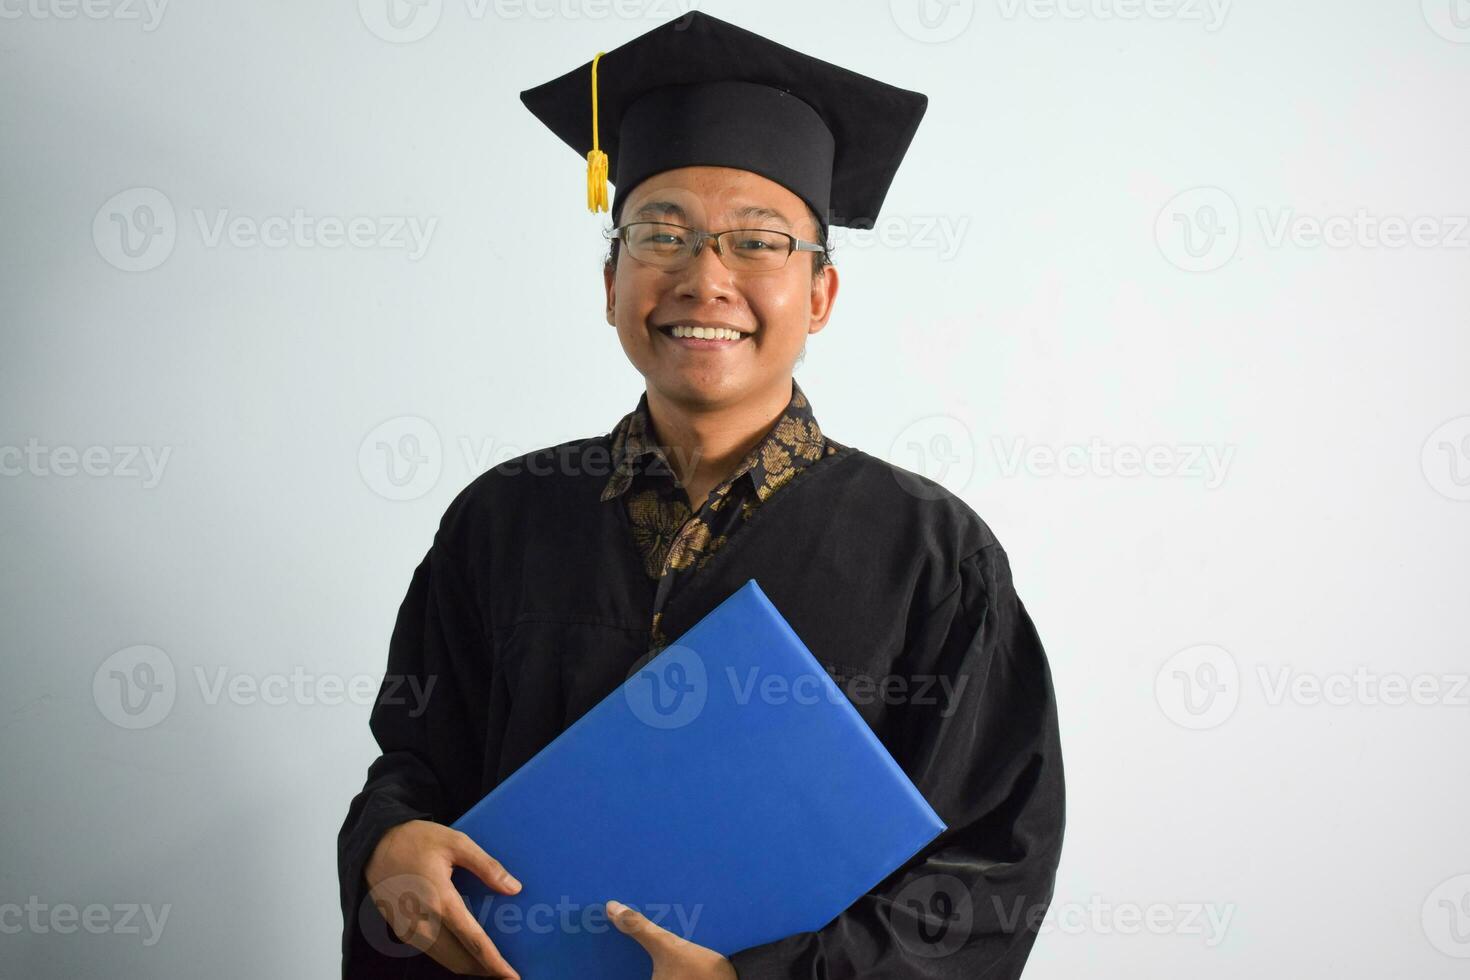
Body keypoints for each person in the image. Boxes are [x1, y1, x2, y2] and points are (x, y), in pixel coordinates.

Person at [338, 11, 1065, 979]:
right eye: (661, 234)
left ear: (820, 295)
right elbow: (415, 761)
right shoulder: (504, 516)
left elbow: (987, 870)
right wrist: (389, 841)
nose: (704, 277)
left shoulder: (930, 555)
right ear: (610, 282)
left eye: (757, 243)